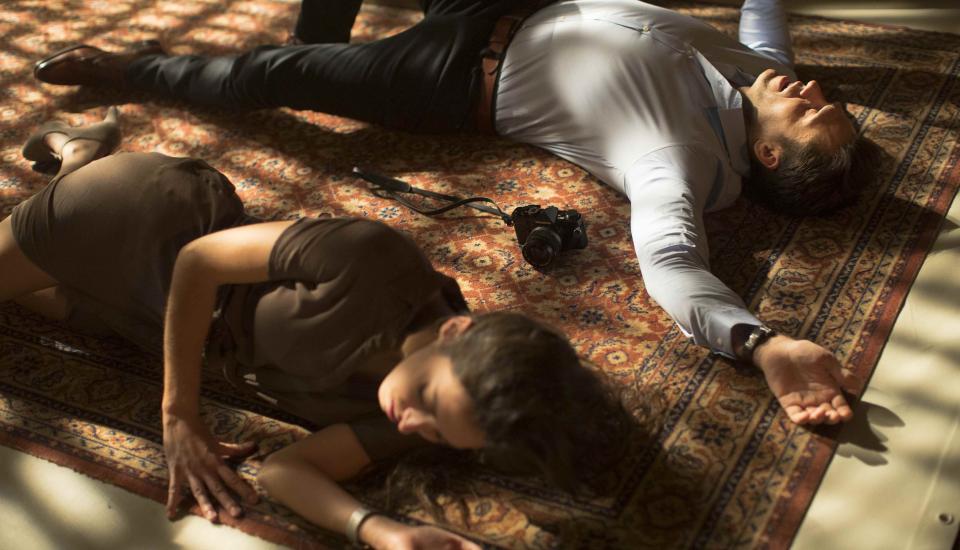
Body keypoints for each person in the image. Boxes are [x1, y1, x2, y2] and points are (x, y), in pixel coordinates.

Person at [31, 0, 872, 426]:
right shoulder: (759, 74)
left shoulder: (675, 162)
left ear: (769, 156)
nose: (808, 89)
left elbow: (674, 265)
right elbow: (767, 14)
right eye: (820, 96)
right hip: (518, 5)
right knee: (301, 55)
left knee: (272, 77)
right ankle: (313, 42)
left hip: (452, 74)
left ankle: (128, 69)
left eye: (809, 112)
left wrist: (761, 343)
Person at [3, 109, 622, 548]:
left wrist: (380, 532)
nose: (412, 422)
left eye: (437, 431)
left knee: (43, 304)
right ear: (455, 332)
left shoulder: (422, 421)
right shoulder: (373, 260)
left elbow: (285, 471)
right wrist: (179, 417)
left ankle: (75, 154)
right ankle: (81, 172)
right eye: (428, 399)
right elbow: (198, 261)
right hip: (141, 218)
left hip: (159, 321)